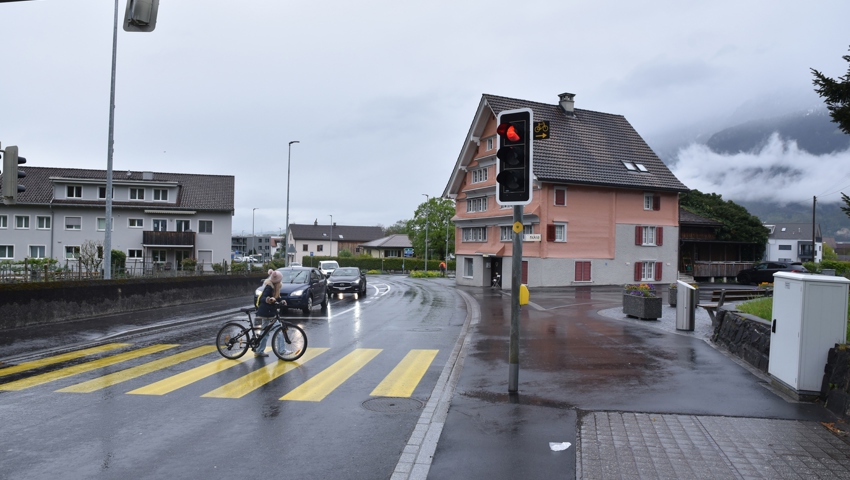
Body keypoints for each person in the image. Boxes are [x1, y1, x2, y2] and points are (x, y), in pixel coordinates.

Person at [253, 269, 284, 357]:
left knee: (264, 333)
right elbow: (263, 298)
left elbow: (277, 298)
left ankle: (259, 350)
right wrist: (269, 299)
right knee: (279, 331)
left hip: (268, 312)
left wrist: (282, 301)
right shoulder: (269, 287)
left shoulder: (276, 287)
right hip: (266, 313)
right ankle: (282, 350)